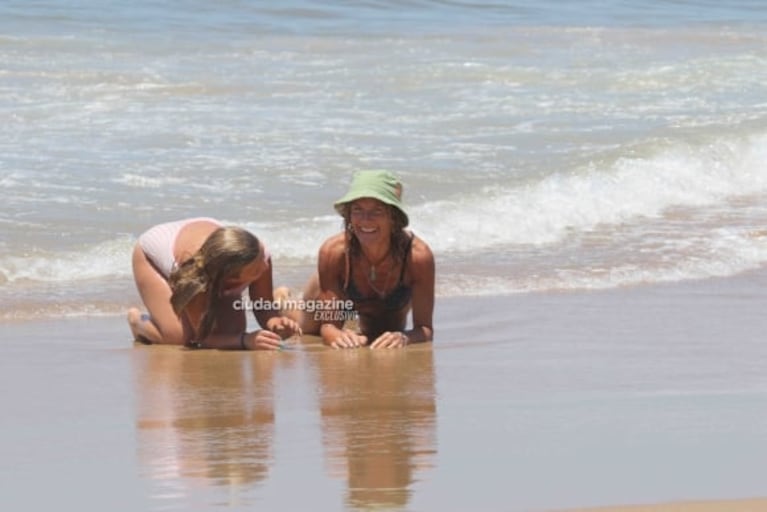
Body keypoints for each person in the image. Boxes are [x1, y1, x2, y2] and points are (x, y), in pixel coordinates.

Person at [288, 170, 434, 349]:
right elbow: (328, 326)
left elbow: (425, 329)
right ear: (348, 216)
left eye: (377, 210)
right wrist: (335, 335)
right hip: (333, 289)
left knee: (384, 331)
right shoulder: (334, 252)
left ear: (393, 218)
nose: (366, 220)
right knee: (308, 329)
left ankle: (351, 321)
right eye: (358, 210)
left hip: (387, 308)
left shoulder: (417, 257)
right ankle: (282, 299)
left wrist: (405, 338)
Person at [127, 217, 300, 349]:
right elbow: (201, 337)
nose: (264, 266)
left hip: (210, 248)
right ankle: (138, 322)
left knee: (232, 331)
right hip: (152, 255)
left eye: (263, 258)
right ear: (231, 276)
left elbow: (264, 307)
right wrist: (244, 340)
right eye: (255, 271)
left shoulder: (257, 255)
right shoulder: (196, 278)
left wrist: (275, 322)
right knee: (181, 337)